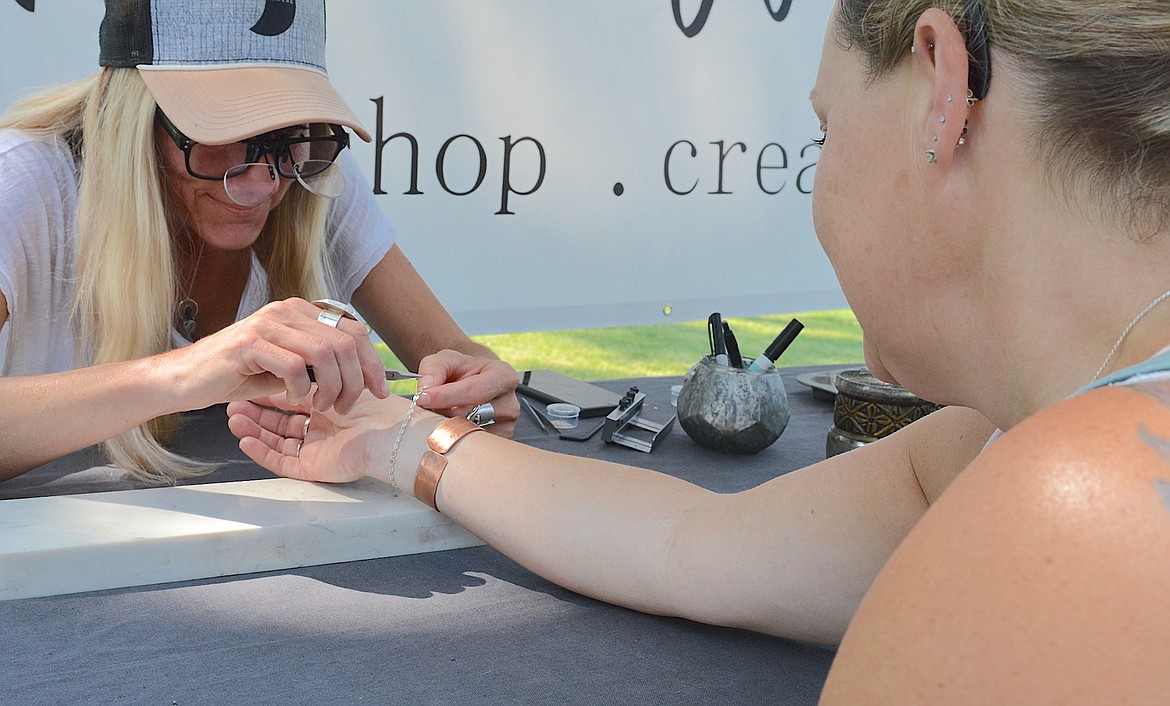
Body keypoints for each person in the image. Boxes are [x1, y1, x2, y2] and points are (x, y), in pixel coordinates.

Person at [229, 0, 1170, 701]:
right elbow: (693, 545)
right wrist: (395, 440)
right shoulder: (991, 449)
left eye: (826, 129)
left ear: (941, 86)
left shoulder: (1080, 506)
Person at [0, 0, 518, 486]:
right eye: (219, 131)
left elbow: (449, 352)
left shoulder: (308, 168)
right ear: (130, 111)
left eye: (288, 131)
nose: (262, 184)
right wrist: (187, 372)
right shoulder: (22, 183)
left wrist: (478, 383)